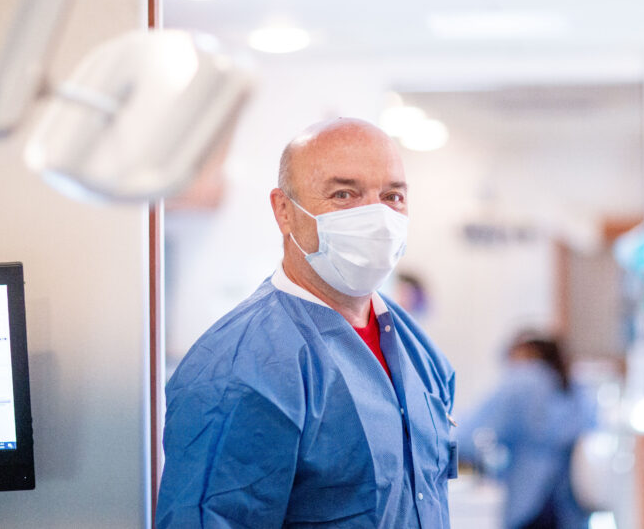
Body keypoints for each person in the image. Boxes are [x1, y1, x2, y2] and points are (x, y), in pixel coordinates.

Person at [156, 118, 457, 529]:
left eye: (392, 196)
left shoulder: (419, 353)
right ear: (284, 211)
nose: (376, 216)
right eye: (344, 194)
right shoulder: (239, 368)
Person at [458, 336, 590, 529]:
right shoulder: (573, 387)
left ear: (525, 353)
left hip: (533, 506)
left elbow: (468, 437)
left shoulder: (525, 380)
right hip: (569, 511)